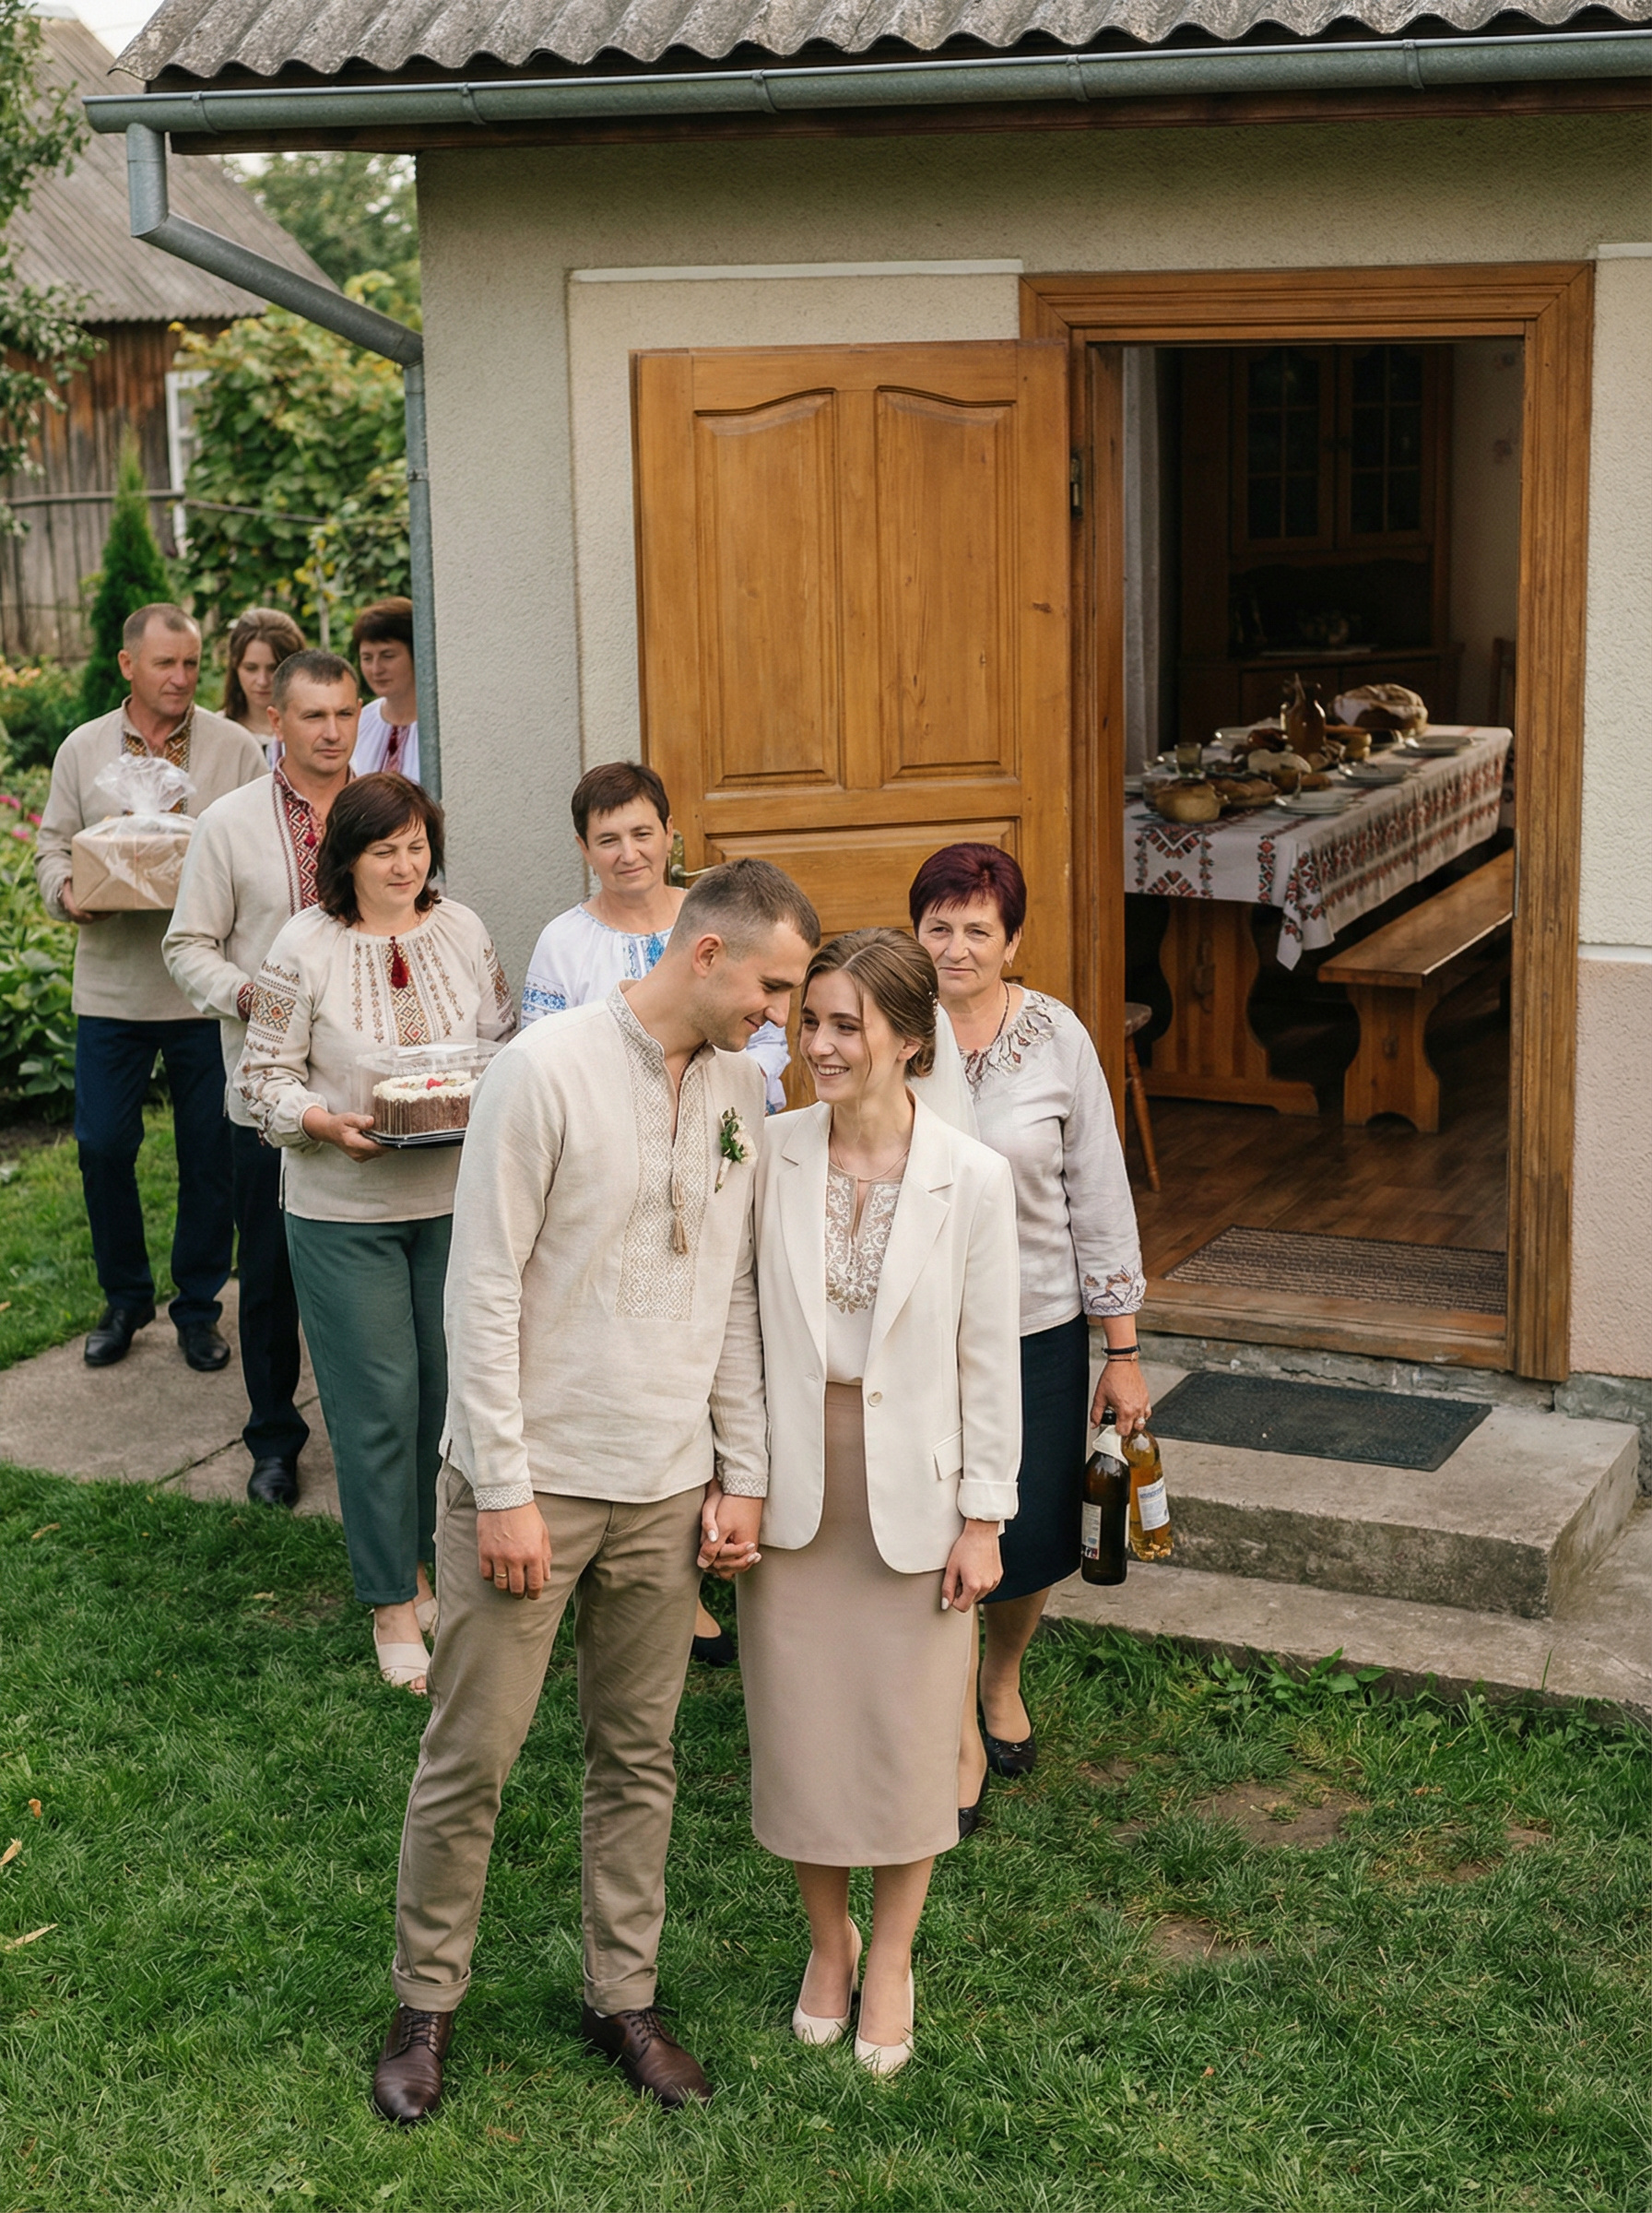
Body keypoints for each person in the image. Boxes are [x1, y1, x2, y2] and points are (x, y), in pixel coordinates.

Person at [372, 858, 819, 2128]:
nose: (779, 1016)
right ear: (707, 953)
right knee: (473, 1755)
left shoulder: (738, 1087)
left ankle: (622, 1997)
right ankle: (424, 2004)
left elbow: (733, 1291)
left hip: (667, 1489)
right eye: (772, 987)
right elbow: (482, 1288)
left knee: (638, 1758)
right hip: (534, 1483)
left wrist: (740, 1472)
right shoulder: (544, 1069)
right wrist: (503, 1487)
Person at [737, 929, 1020, 2076]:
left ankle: (892, 1954)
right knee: (803, 1732)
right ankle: (828, 1943)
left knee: (906, 1741)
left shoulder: (974, 1178)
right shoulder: (767, 1153)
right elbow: (738, 1329)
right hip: (793, 1492)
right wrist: (736, 1476)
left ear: (909, 1040)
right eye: (808, 1021)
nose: (817, 1044)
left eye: (845, 1026)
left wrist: (983, 1519)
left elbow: (988, 1360)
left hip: (918, 1499)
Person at [236, 774, 515, 1687]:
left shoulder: (463, 929)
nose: (404, 866)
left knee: (447, 1400)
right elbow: (260, 1079)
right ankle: (392, 1603)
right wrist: (322, 1123)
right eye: (383, 850)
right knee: (377, 1407)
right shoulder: (301, 945)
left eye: (416, 846)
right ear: (346, 859)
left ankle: (431, 1568)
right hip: (342, 1208)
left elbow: (505, 1044)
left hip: (457, 1201)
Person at [524, 758, 791, 1669]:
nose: (629, 851)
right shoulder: (566, 949)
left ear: (671, 836)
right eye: (608, 838)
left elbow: (757, 1049)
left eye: (643, 832)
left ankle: (671, 1574)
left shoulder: (721, 930)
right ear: (583, 849)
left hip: (713, 1143)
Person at [909, 845, 1149, 1823]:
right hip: (916, 1331)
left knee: (1030, 1524)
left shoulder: (1057, 1037)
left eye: (978, 929)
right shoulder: (890, 1023)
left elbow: (1099, 1192)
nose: (955, 948)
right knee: (933, 1524)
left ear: (1012, 941)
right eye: (938, 926)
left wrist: (1121, 1351)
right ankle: (948, 1723)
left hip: (1034, 1325)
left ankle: (1000, 1677)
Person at [35, 604, 266, 1371]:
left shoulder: (234, 748)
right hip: (113, 988)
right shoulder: (83, 748)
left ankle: (198, 1306)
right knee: (103, 1146)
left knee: (210, 1156)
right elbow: (51, 846)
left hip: (204, 990)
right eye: (165, 663)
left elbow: (258, 848)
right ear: (128, 665)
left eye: (191, 664)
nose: (180, 677)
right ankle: (125, 1296)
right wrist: (70, 892)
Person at [165, 649, 360, 1509]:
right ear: (275, 720)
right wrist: (253, 996)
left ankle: (375, 1437)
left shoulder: (384, 811)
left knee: (369, 1276)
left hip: (367, 1086)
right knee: (272, 1273)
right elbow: (186, 946)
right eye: (313, 715)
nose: (332, 731)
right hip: (267, 1089)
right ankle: (275, 1440)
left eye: (345, 713)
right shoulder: (229, 823)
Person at [221, 608, 305, 764]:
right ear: (235, 666)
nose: (262, 681)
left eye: (273, 669)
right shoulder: (216, 732)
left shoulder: (315, 730)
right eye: (251, 668)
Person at [351, 598, 420, 784]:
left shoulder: (441, 728)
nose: (376, 669)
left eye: (388, 656)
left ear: (417, 654)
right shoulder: (359, 724)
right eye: (367, 658)